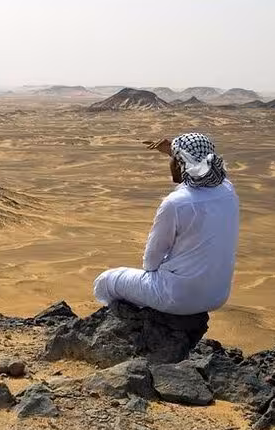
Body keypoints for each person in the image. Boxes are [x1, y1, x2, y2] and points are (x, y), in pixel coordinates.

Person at [93, 132, 239, 315]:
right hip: (217, 296)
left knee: (106, 281)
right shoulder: (227, 189)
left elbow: (150, 262)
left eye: (174, 159)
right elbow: (202, 168)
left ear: (180, 163)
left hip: (178, 297)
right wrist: (174, 151)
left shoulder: (177, 203)